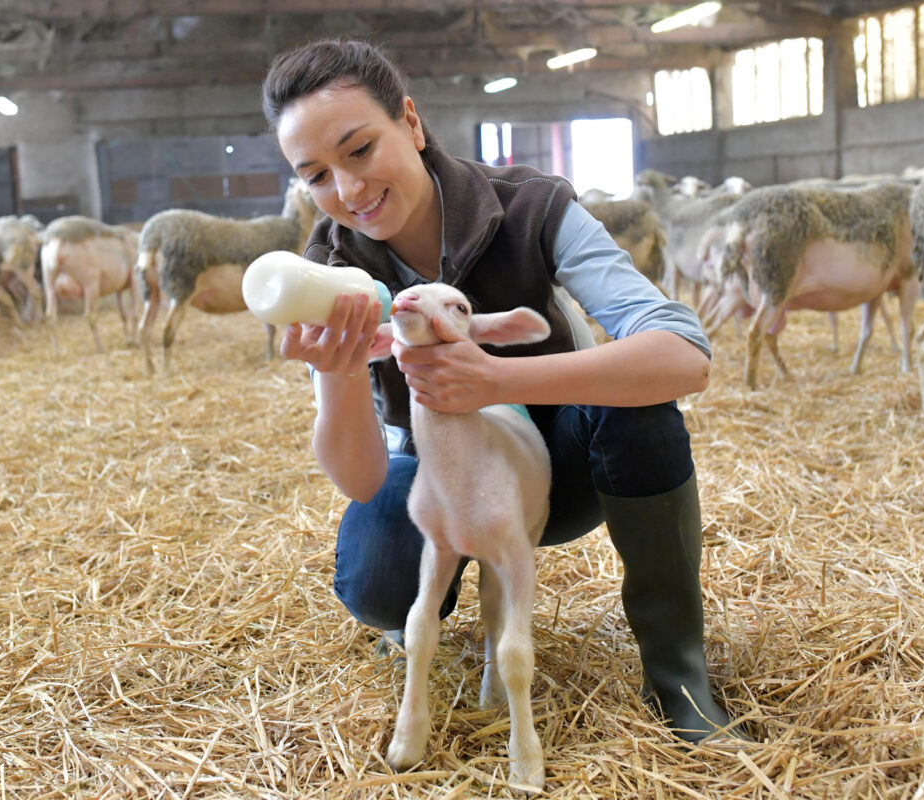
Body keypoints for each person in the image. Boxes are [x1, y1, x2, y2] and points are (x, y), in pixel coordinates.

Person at [260, 38, 746, 745]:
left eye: (360, 150)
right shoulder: (330, 271)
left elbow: (683, 356)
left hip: (558, 464)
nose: (349, 190)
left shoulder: (534, 208)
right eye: (317, 176)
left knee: (636, 402)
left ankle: (678, 672)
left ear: (412, 123)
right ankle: (417, 619)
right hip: (441, 475)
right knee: (375, 579)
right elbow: (360, 477)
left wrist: (498, 378)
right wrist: (336, 376)